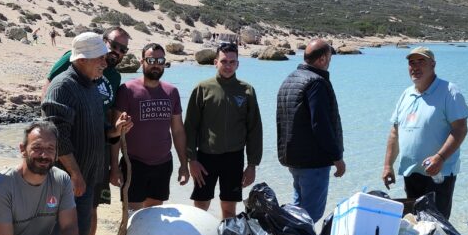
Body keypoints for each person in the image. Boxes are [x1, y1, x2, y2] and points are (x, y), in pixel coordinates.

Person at [42, 32, 133, 235]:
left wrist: (115, 130)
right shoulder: (62, 86)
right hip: (66, 182)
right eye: (99, 58)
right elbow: (57, 136)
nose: (105, 62)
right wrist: (74, 173)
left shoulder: (92, 85)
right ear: (81, 60)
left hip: (87, 180)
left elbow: (99, 129)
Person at [381, 46, 468, 219]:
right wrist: (387, 166)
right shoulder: (406, 94)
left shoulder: (449, 91)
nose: (415, 67)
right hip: (411, 172)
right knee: (414, 224)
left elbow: (460, 129)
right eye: (411, 63)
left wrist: (440, 158)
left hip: (438, 173)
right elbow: (395, 133)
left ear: (433, 64)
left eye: (421, 62)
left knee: (437, 226)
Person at [183, 42, 263, 219]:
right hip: (205, 158)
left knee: (229, 211)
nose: (228, 66)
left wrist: (252, 165)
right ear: (215, 62)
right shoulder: (202, 89)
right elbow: (190, 126)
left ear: (238, 64)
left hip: (234, 158)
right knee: (199, 210)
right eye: (224, 61)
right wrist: (191, 160)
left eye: (232, 62)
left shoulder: (247, 90)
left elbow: (254, 130)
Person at [111, 43, 189, 209]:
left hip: (163, 164)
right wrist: (114, 168)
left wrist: (184, 164)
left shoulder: (172, 92)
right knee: (132, 218)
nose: (156, 64)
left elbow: (178, 131)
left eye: (160, 60)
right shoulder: (127, 90)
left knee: (153, 217)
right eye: (151, 60)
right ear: (142, 62)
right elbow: (116, 133)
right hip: (133, 164)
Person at [275, 38, 346, 222]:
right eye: (329, 57)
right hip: (313, 162)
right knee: (310, 216)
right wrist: (337, 157)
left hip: (293, 160)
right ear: (322, 59)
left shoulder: (290, 79)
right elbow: (320, 125)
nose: (330, 61)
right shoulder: (316, 83)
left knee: (298, 213)